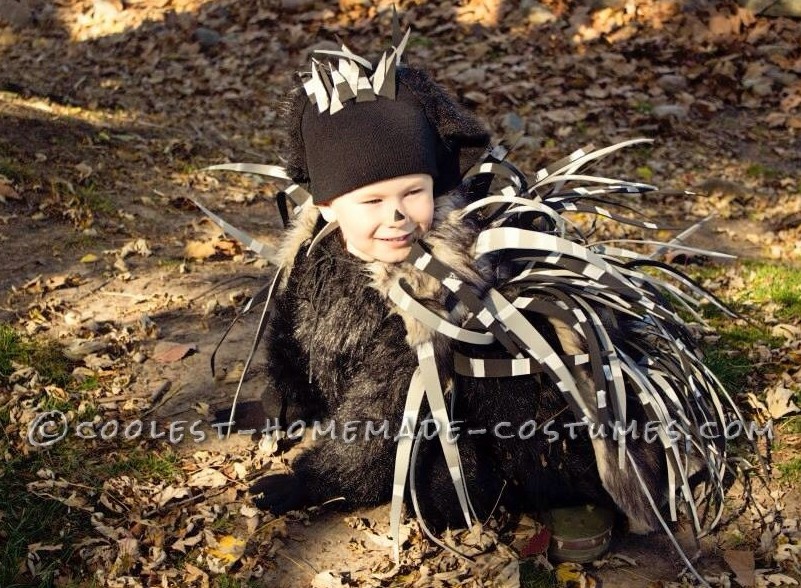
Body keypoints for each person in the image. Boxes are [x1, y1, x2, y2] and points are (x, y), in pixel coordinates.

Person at [199, 23, 742, 578]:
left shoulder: (436, 283)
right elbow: (291, 331)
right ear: (329, 205)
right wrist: (285, 402)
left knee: (442, 485)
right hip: (398, 407)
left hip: (504, 420)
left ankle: (571, 493)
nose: (397, 215)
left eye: (416, 192)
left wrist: (315, 480)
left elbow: (385, 417)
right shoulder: (317, 247)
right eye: (373, 200)